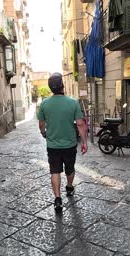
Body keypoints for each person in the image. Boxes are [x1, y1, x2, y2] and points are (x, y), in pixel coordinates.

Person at [37, 73, 88, 211]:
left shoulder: (44, 104)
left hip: (52, 145)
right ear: (62, 86)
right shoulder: (73, 103)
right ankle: (70, 187)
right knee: (69, 169)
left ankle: (57, 199)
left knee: (55, 171)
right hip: (70, 144)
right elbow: (80, 124)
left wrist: (44, 133)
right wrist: (84, 142)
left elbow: (41, 123)